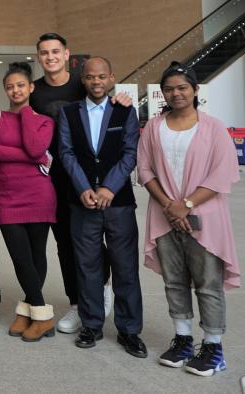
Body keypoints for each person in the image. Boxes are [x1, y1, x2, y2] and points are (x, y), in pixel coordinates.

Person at [137, 63, 240, 376]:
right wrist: (170, 205)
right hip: (164, 215)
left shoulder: (213, 128)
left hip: (205, 217)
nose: (176, 93)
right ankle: (183, 340)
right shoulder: (154, 127)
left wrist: (188, 204)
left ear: (195, 90)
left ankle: (213, 347)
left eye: (182, 87)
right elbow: (145, 170)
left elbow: (223, 173)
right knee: (174, 281)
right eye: (169, 89)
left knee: (208, 283)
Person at [58, 56, 146, 358]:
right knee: (87, 267)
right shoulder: (69, 112)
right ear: (83, 80)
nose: (96, 82)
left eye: (101, 76)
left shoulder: (125, 110)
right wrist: (83, 188)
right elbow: (66, 153)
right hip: (82, 202)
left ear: (111, 78)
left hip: (118, 203)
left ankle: (129, 330)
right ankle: (92, 325)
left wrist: (109, 187)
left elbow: (130, 153)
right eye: (90, 77)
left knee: (125, 268)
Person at [30, 33, 117, 333]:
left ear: (66, 54)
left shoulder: (82, 84)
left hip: (86, 175)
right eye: (44, 52)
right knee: (64, 243)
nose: (50, 57)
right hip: (52, 178)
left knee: (90, 239)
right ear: (39, 57)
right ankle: (77, 303)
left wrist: (120, 100)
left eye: (55, 51)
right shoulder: (35, 92)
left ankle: (101, 287)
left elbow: (106, 103)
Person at [0, 62, 57, 342]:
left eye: (21, 85)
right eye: (10, 86)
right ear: (5, 89)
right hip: (7, 197)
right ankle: (42, 314)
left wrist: (25, 113)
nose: (15, 90)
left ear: (31, 87)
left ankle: (27, 311)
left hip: (39, 195)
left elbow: (36, 147)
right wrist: (32, 157)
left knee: (37, 256)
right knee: (20, 257)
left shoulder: (44, 121)